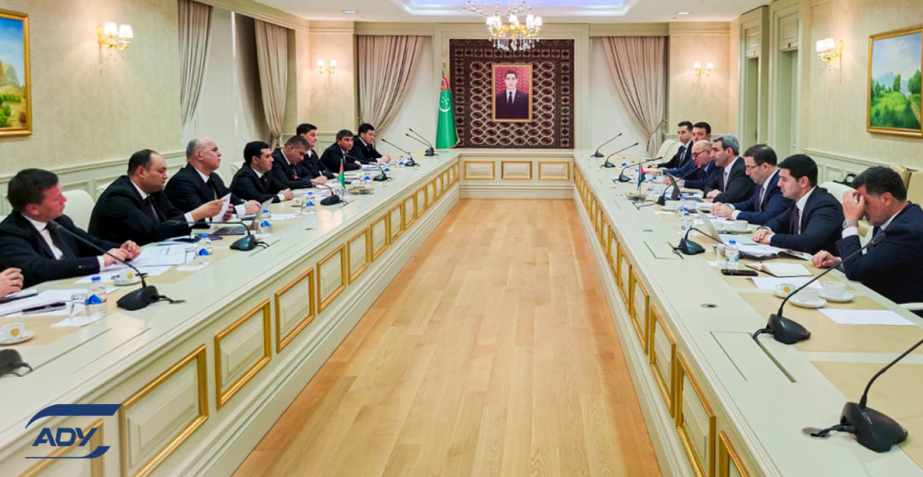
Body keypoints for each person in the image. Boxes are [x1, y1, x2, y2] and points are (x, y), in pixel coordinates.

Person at [0, 169, 141, 287]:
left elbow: (91, 243)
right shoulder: (9, 233)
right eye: (57, 199)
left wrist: (122, 249)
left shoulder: (60, 221)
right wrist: (101, 261)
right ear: (33, 209)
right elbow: (38, 269)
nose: (64, 200)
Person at [812, 167, 923, 307]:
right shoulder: (893, 218)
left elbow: (856, 271)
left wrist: (850, 221)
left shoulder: (907, 231)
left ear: (886, 199)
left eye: (865, 202)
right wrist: (838, 262)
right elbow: (872, 263)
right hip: (874, 297)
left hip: (896, 309)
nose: (861, 208)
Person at [89, 150, 225, 246]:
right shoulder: (118, 197)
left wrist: (199, 217)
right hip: (118, 264)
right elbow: (151, 232)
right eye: (161, 171)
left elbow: (173, 215)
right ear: (141, 172)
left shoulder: (154, 190)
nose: (165, 176)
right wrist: (196, 214)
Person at [752, 154, 844, 254]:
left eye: (784, 179)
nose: (779, 184)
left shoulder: (825, 206)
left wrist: (770, 238)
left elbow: (808, 242)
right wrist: (764, 229)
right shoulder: (799, 200)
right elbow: (778, 221)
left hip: (820, 262)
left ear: (803, 182)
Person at [165, 138, 259, 219]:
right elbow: (201, 213)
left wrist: (247, 204)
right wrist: (242, 209)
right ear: (199, 155)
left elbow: (231, 198)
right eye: (214, 150)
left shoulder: (214, 177)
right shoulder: (182, 181)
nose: (219, 154)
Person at [711, 145, 791, 225]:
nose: (747, 172)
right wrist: (728, 206)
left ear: (765, 167)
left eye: (749, 168)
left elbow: (767, 217)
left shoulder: (779, 185)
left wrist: (732, 214)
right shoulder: (761, 179)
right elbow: (750, 204)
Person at [705, 135, 753, 204]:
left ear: (729, 151)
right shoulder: (723, 168)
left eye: (716, 150)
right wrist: (710, 194)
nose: (712, 155)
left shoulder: (741, 169)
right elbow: (708, 185)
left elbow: (729, 199)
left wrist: (717, 196)